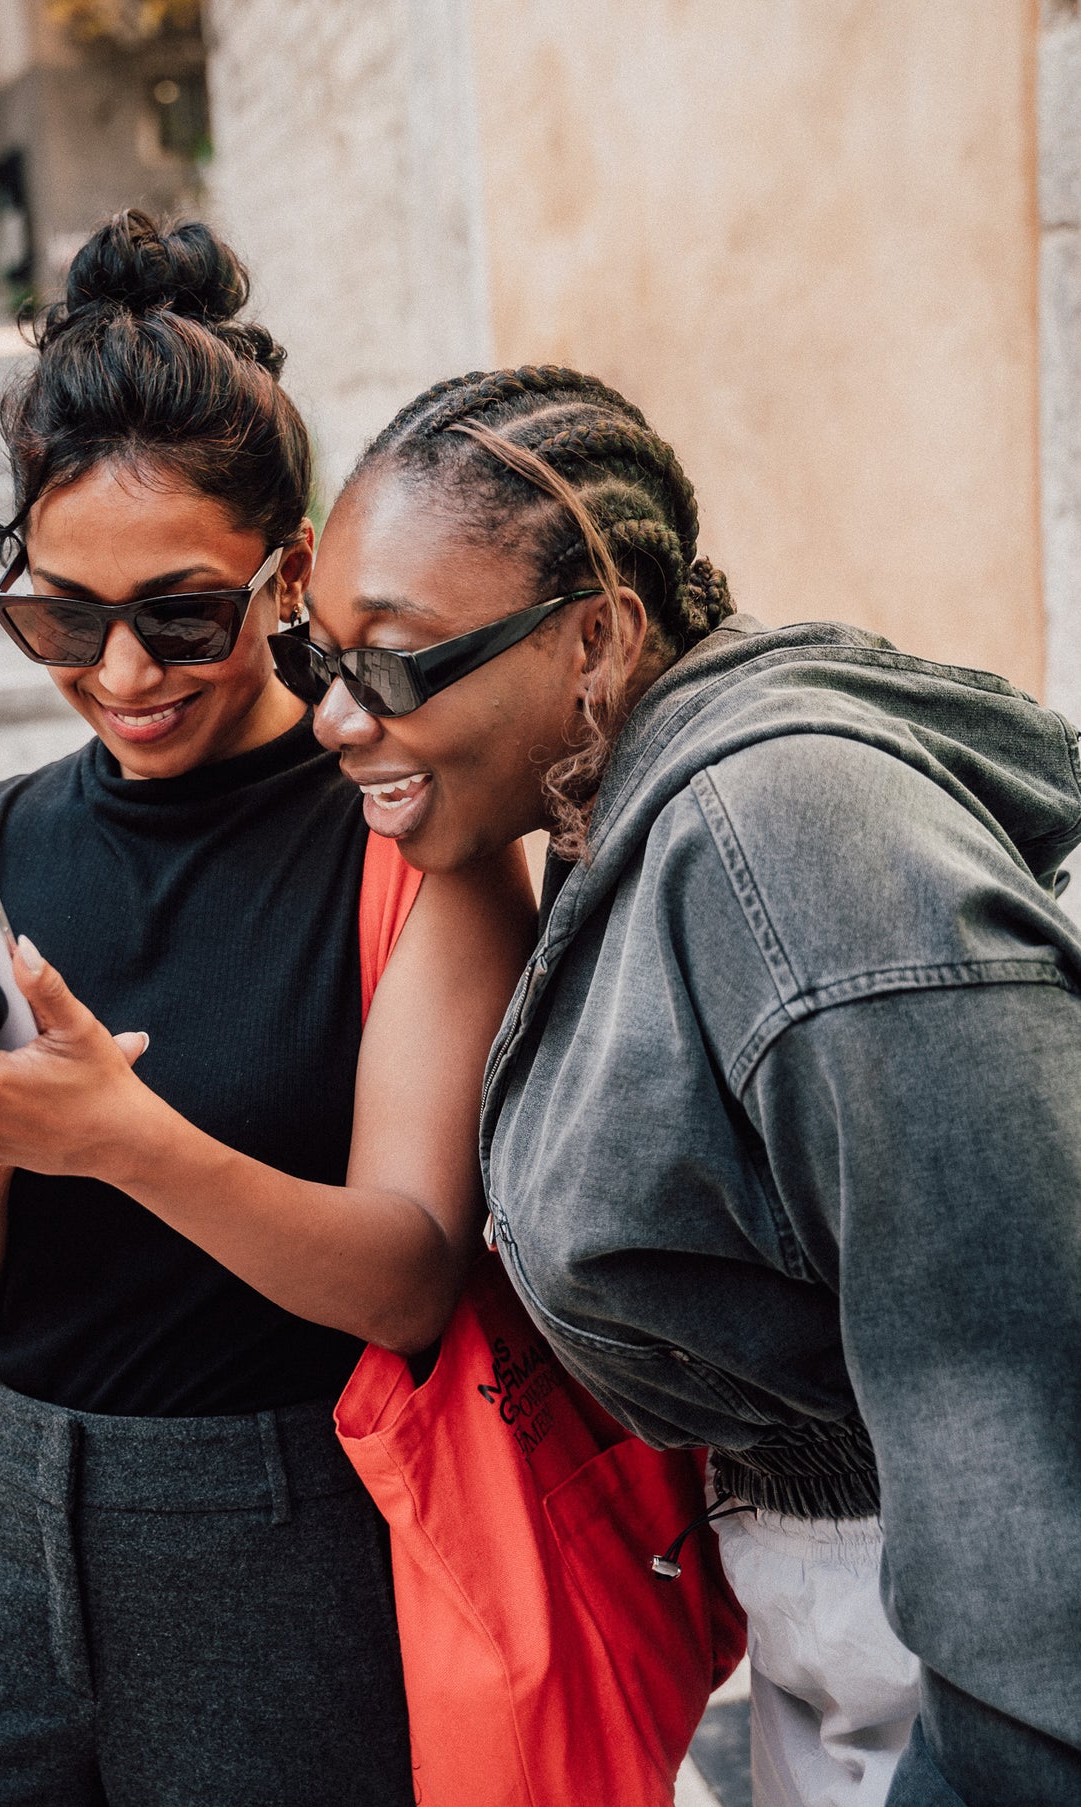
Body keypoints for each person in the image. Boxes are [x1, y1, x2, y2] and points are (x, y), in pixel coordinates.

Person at [287, 364, 1081, 1806]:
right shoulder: (616, 812)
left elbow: (1024, 1412)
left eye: (394, 663)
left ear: (595, 634)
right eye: (315, 659)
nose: (338, 718)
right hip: (841, 1640)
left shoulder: (780, 835)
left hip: (960, 1672)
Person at [0, 215, 534, 1807]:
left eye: (182, 612)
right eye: (58, 615)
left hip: (280, 1535)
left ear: (288, 568)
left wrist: (120, 1136)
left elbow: (410, 1280)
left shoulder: (409, 838)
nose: (119, 670)